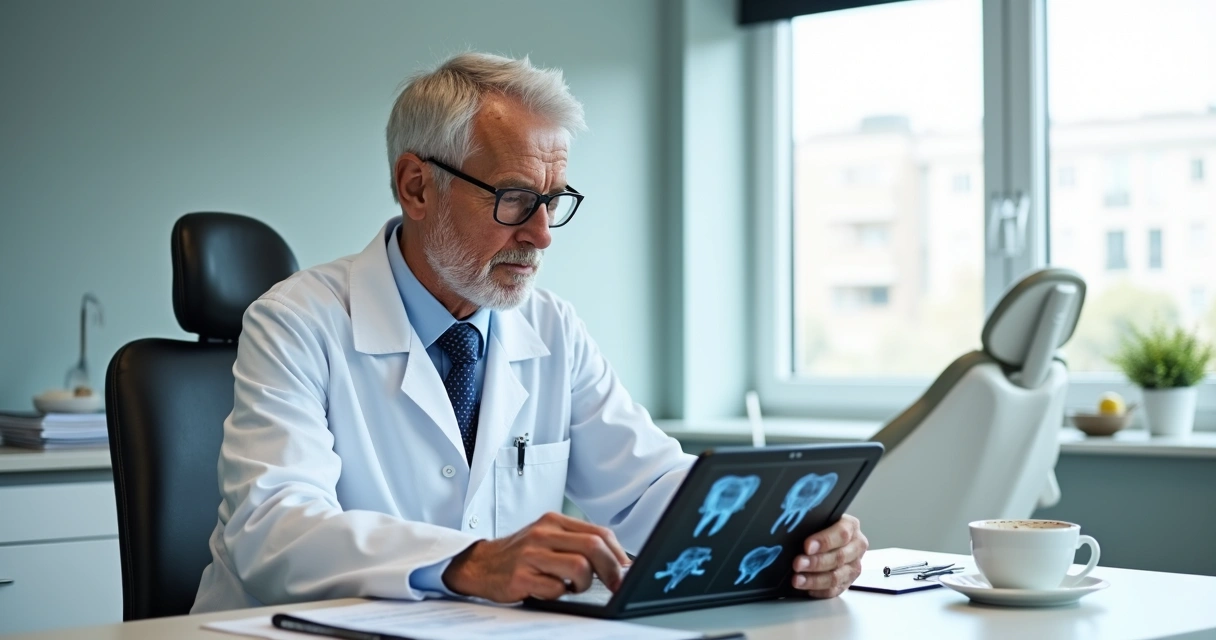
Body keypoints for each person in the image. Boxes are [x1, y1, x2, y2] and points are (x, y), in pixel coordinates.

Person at [191, 52, 867, 613]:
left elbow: (649, 487)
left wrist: (794, 539)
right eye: (514, 198)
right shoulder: (298, 322)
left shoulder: (550, 327)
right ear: (417, 186)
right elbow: (272, 528)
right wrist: (468, 562)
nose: (541, 234)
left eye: (553, 201)